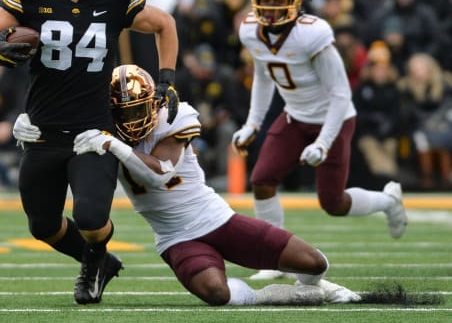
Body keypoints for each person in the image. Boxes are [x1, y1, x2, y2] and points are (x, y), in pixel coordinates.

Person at [0, 0, 180, 305]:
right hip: (42, 130)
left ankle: (92, 263)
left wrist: (167, 79)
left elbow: (165, 24)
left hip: (92, 133)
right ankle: (100, 262)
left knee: (92, 219)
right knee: (43, 227)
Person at [30, 64, 360, 306]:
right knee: (217, 294)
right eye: (123, 114)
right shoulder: (102, 127)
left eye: (138, 110)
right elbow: (59, 126)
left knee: (315, 262)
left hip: (216, 219)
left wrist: (114, 144)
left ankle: (319, 287)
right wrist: (30, 123)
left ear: (154, 102)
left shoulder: (173, 117)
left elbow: (160, 173)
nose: (131, 121)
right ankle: (280, 296)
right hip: (175, 236)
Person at [230, 0, 408, 280]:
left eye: (277, 0)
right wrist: (252, 124)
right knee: (262, 180)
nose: (270, 9)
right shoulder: (249, 30)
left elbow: (341, 95)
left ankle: (388, 200)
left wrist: (323, 143)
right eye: (265, 0)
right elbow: (263, 75)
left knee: (333, 203)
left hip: (333, 120)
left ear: (296, 0)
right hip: (296, 116)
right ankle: (274, 258)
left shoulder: (311, 34)